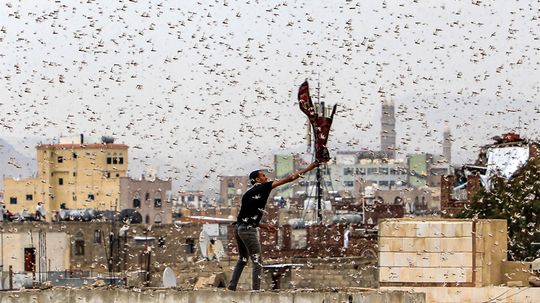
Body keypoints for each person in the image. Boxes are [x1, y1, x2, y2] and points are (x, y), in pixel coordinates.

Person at [228, 161, 319, 291]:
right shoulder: (264, 187)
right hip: (248, 230)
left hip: (239, 228)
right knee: (257, 261)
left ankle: (232, 286)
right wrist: (309, 167)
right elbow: (289, 178)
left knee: (243, 259)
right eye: (264, 176)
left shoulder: (247, 194)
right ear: (258, 179)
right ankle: (256, 291)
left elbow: (246, 216)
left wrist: (263, 226)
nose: (266, 177)